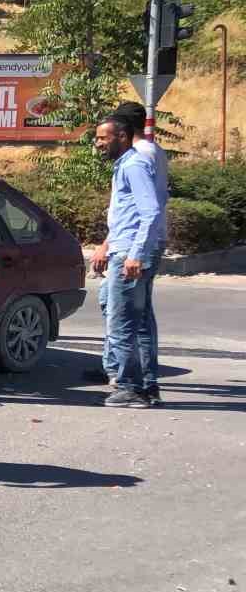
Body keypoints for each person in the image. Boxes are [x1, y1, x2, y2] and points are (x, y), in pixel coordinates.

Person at [85, 102, 169, 398]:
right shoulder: (132, 161)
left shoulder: (135, 163)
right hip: (132, 246)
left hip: (131, 250)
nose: (98, 144)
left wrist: (136, 254)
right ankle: (147, 386)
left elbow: (150, 211)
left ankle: (129, 387)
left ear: (122, 135)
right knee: (139, 319)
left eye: (102, 138)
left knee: (121, 322)